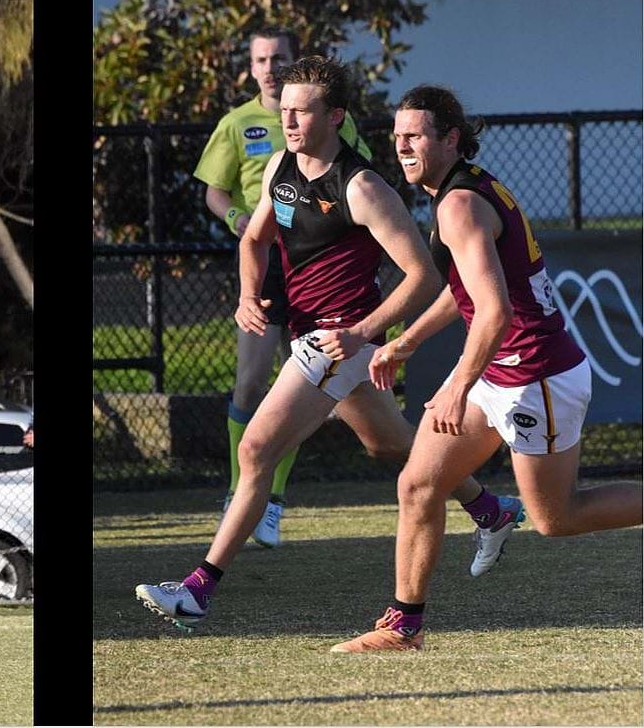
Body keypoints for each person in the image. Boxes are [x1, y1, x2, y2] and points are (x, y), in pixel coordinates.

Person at [135, 57, 518, 631]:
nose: (287, 118)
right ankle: (490, 509)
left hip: (340, 339)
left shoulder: (362, 187)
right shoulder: (279, 169)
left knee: (255, 452)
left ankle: (197, 590)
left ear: (334, 115)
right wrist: (246, 294)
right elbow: (255, 239)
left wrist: (361, 333)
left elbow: (424, 276)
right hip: (312, 336)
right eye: (284, 108)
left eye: (301, 109)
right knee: (391, 447)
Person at [331, 86, 644, 653]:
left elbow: (494, 311)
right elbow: (468, 292)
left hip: (536, 377)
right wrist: (407, 342)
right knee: (419, 483)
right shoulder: (459, 189)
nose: (402, 146)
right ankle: (403, 628)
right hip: (503, 371)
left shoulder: (459, 204)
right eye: (397, 136)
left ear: (449, 138)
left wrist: (455, 385)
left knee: (556, 517)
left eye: (415, 136)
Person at [192, 27, 372, 547]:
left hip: (322, 268)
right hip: (268, 260)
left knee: (323, 400)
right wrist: (240, 223)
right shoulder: (238, 123)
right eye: (261, 59)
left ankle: (270, 501)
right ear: (250, 67)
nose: (270, 67)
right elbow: (215, 193)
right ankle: (238, 490)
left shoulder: (332, 120)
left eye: (279, 58)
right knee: (250, 383)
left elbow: (355, 186)